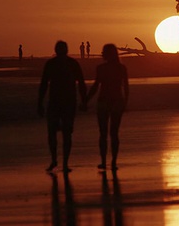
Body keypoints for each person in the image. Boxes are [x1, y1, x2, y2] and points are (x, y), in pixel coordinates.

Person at [38, 41, 87, 173]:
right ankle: (60, 162)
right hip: (61, 102)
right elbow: (81, 83)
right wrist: (84, 100)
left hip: (64, 103)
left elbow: (43, 85)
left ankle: (60, 162)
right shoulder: (60, 64)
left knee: (60, 133)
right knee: (60, 133)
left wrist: (40, 103)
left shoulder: (62, 64)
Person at [84, 44, 129, 170]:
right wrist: (126, 101)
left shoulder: (103, 68)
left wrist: (86, 100)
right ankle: (111, 162)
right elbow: (125, 87)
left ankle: (107, 161)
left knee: (105, 133)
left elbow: (96, 86)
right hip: (114, 101)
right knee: (112, 133)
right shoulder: (120, 68)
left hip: (107, 101)